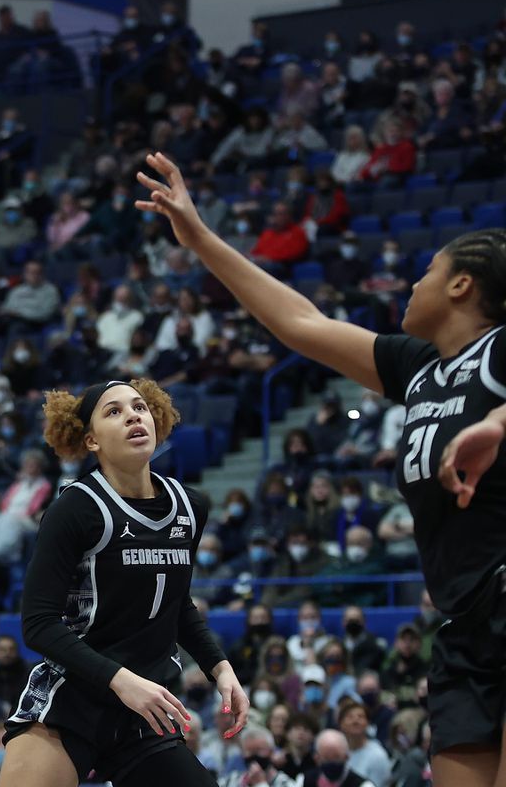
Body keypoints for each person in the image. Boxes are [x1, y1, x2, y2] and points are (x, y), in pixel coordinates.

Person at [136, 150, 506, 786]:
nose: (413, 284)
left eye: (427, 272)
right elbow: (299, 321)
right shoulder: (419, 368)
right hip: (462, 623)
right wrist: (198, 237)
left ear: (461, 285)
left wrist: (497, 425)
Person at [0, 379, 249, 787]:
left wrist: (219, 668)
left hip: (144, 713)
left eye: (139, 407)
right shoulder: (73, 510)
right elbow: (38, 624)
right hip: (72, 702)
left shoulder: (190, 506)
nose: (133, 415)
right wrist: (122, 680)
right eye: (114, 411)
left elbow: (176, 603)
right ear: (91, 440)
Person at [302, 729, 377, 787]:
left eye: (336, 757)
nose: (331, 762)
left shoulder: (364, 785)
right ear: (316, 758)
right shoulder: (304, 781)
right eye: (326, 758)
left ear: (346, 757)